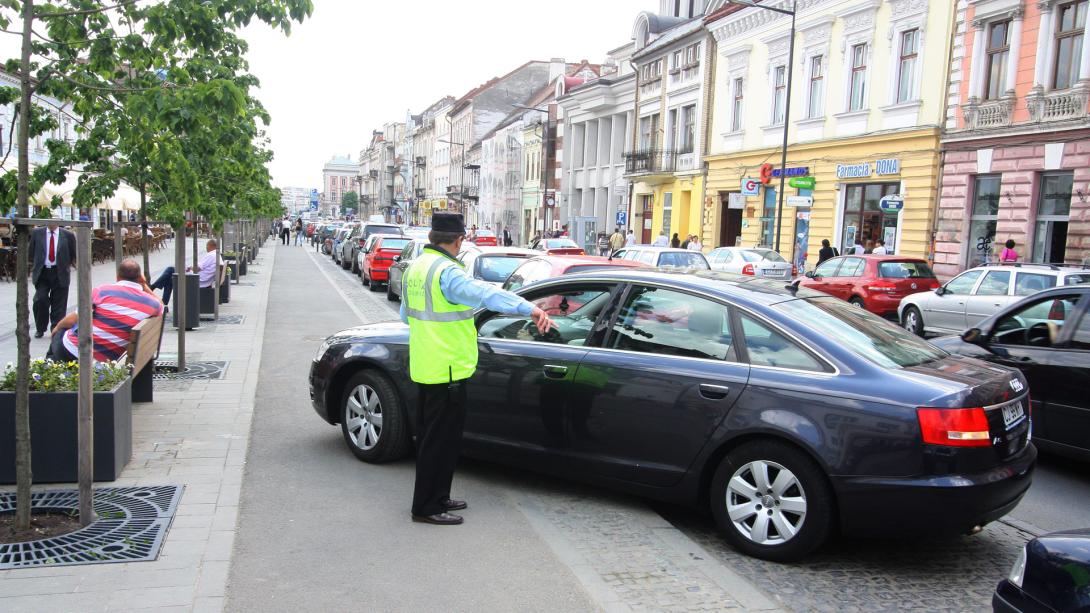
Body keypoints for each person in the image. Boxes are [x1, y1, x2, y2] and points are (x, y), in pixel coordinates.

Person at [399, 213, 554, 525]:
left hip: (428, 366)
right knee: (439, 442)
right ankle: (426, 507)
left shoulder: (416, 268)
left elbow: (406, 316)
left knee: (440, 439)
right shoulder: (447, 273)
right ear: (458, 240)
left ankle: (439, 496)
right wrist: (530, 307)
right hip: (448, 370)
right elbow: (486, 293)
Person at [46, 259, 164, 363]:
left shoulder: (102, 291)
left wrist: (56, 328)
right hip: (106, 361)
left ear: (117, 277)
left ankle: (46, 371)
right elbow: (161, 304)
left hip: (75, 352)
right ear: (140, 278)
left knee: (62, 331)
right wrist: (144, 285)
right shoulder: (153, 304)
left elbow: (74, 319)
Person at [29, 219, 77, 339]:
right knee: (40, 299)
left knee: (59, 303)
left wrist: (65, 265)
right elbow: (31, 252)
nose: (51, 223)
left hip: (59, 271)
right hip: (43, 272)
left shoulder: (68, 235)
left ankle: (56, 329)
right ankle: (40, 328)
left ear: (58, 221)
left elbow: (73, 253)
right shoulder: (37, 233)